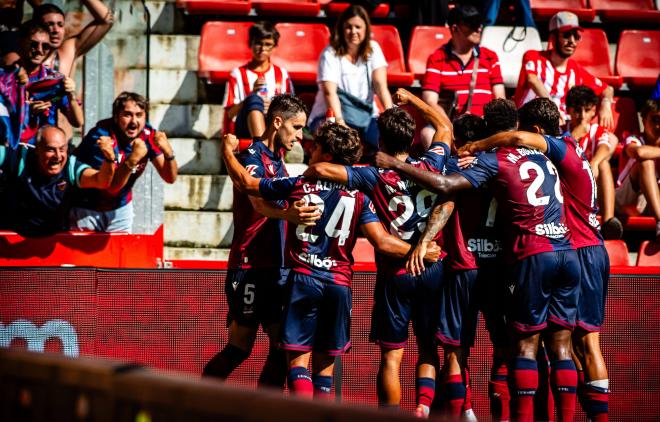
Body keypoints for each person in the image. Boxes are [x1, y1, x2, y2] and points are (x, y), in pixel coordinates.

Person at [375, 99, 580, 422]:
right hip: (504, 264)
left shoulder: (468, 165)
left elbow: (446, 198)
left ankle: (458, 413)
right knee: (509, 349)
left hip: (464, 267)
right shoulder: (541, 160)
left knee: (455, 352)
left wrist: (425, 240)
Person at [221, 122, 440, 400]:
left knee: (298, 363)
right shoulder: (361, 197)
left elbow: (246, 183)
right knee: (325, 371)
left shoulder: (301, 184)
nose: (309, 148)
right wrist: (417, 252)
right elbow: (382, 242)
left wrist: (228, 152)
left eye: (317, 146)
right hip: (339, 286)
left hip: (304, 279)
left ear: (326, 156)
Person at [304, 88, 452, 417]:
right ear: (411, 138)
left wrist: (322, 163)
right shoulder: (431, 162)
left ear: (380, 140)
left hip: (395, 272)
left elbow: (325, 171)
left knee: (391, 356)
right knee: (428, 346)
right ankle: (423, 408)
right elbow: (444, 127)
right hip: (431, 265)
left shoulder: (373, 174)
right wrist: (413, 101)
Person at [462, 97, 611, 421]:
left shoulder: (553, 148)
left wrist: (477, 146)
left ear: (538, 131)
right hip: (585, 246)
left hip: (574, 247)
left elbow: (516, 139)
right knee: (569, 346)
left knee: (580, 346)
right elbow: (599, 142)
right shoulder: (572, 145)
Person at [203, 94, 320, 389]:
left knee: (283, 348)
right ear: (277, 122)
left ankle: (262, 410)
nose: (299, 135)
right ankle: (199, 403)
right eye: (296, 127)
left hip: (274, 267)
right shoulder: (253, 158)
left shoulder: (278, 162)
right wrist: (289, 214)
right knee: (240, 348)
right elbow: (257, 203)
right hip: (250, 266)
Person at [70, 92, 177, 233]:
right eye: (127, 115)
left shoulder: (148, 135)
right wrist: (133, 159)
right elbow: (111, 187)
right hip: (87, 207)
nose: (134, 121)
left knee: (120, 254)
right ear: (116, 117)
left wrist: (169, 153)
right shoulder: (101, 137)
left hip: (120, 208)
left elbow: (170, 178)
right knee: (85, 255)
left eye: (139, 115)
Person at [307, 4, 393, 155]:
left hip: (364, 116)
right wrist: (340, 123)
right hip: (330, 115)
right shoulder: (330, 53)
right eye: (349, 27)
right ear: (341, 28)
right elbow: (329, 93)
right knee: (338, 147)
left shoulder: (373, 49)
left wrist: (390, 114)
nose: (353, 31)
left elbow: (381, 87)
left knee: (390, 142)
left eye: (358, 27)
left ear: (366, 29)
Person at [0, 125, 114, 236]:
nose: (58, 156)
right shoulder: (20, 158)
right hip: (12, 238)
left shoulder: (70, 167)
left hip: (53, 242)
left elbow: (101, 181)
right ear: (37, 149)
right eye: (51, 150)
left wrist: (109, 159)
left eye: (62, 149)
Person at [420, 4, 505, 149]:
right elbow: (430, 101)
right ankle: (442, 170)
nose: (479, 28)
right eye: (473, 24)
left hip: (484, 124)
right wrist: (449, 127)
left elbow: (500, 99)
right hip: (452, 124)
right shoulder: (437, 58)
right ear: (454, 28)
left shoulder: (490, 57)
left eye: (480, 23)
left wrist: (488, 123)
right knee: (428, 133)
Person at [514, 11, 614, 129]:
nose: (572, 41)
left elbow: (607, 89)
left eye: (576, 36)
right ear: (552, 37)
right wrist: (553, 109)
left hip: (560, 130)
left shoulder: (576, 70)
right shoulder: (534, 56)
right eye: (566, 35)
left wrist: (605, 104)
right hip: (528, 124)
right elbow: (532, 79)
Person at [0, 20, 84, 147]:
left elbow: (78, 122)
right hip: (8, 148)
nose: (39, 51)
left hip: (42, 153)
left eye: (45, 46)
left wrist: (71, 95)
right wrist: (27, 111)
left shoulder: (53, 80)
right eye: (33, 44)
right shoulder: (4, 78)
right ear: (21, 43)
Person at [565, 85, 622, 239]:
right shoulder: (561, 129)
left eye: (587, 110)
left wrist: (594, 162)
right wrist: (575, 135)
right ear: (568, 110)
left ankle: (608, 222)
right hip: (567, 185)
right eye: (577, 110)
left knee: (603, 163)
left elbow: (604, 146)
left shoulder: (597, 130)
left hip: (591, 184)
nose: (582, 116)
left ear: (593, 111)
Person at [223, 21, 294, 139]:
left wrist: (273, 107)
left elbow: (291, 110)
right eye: (258, 43)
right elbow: (230, 114)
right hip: (244, 126)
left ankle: (263, 150)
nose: (262, 49)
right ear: (250, 43)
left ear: (274, 46)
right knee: (254, 100)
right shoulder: (238, 74)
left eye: (267, 44)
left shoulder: (282, 74)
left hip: (274, 124)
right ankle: (262, 150)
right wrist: (250, 99)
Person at [615, 99, 660, 240]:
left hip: (652, 201)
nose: (658, 126)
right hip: (625, 199)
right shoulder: (634, 138)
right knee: (646, 162)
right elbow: (638, 153)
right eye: (655, 119)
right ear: (643, 119)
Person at [34, 0, 114, 78]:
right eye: (49, 24)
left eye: (60, 25)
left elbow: (107, 21)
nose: (56, 30)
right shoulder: (23, 55)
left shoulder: (67, 52)